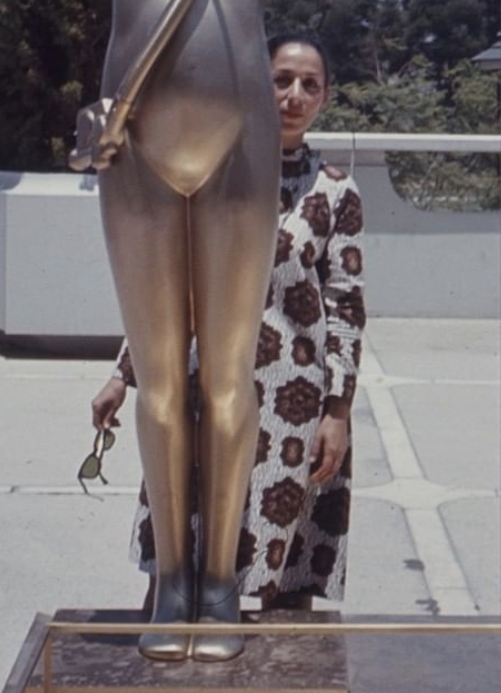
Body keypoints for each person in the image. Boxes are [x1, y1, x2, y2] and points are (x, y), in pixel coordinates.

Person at [86, 0, 282, 662]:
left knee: (231, 378)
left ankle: (221, 579)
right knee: (163, 381)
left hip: (242, 154)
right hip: (137, 156)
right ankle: (171, 574)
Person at [93, 32, 366, 614]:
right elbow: (168, 285)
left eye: (309, 85)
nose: (294, 95)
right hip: (203, 387)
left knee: (281, 571)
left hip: (291, 405)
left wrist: (337, 413)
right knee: (182, 553)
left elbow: (346, 305)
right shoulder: (213, 175)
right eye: (281, 80)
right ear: (256, 85)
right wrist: (125, 373)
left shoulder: (336, 191)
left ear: (325, 97)